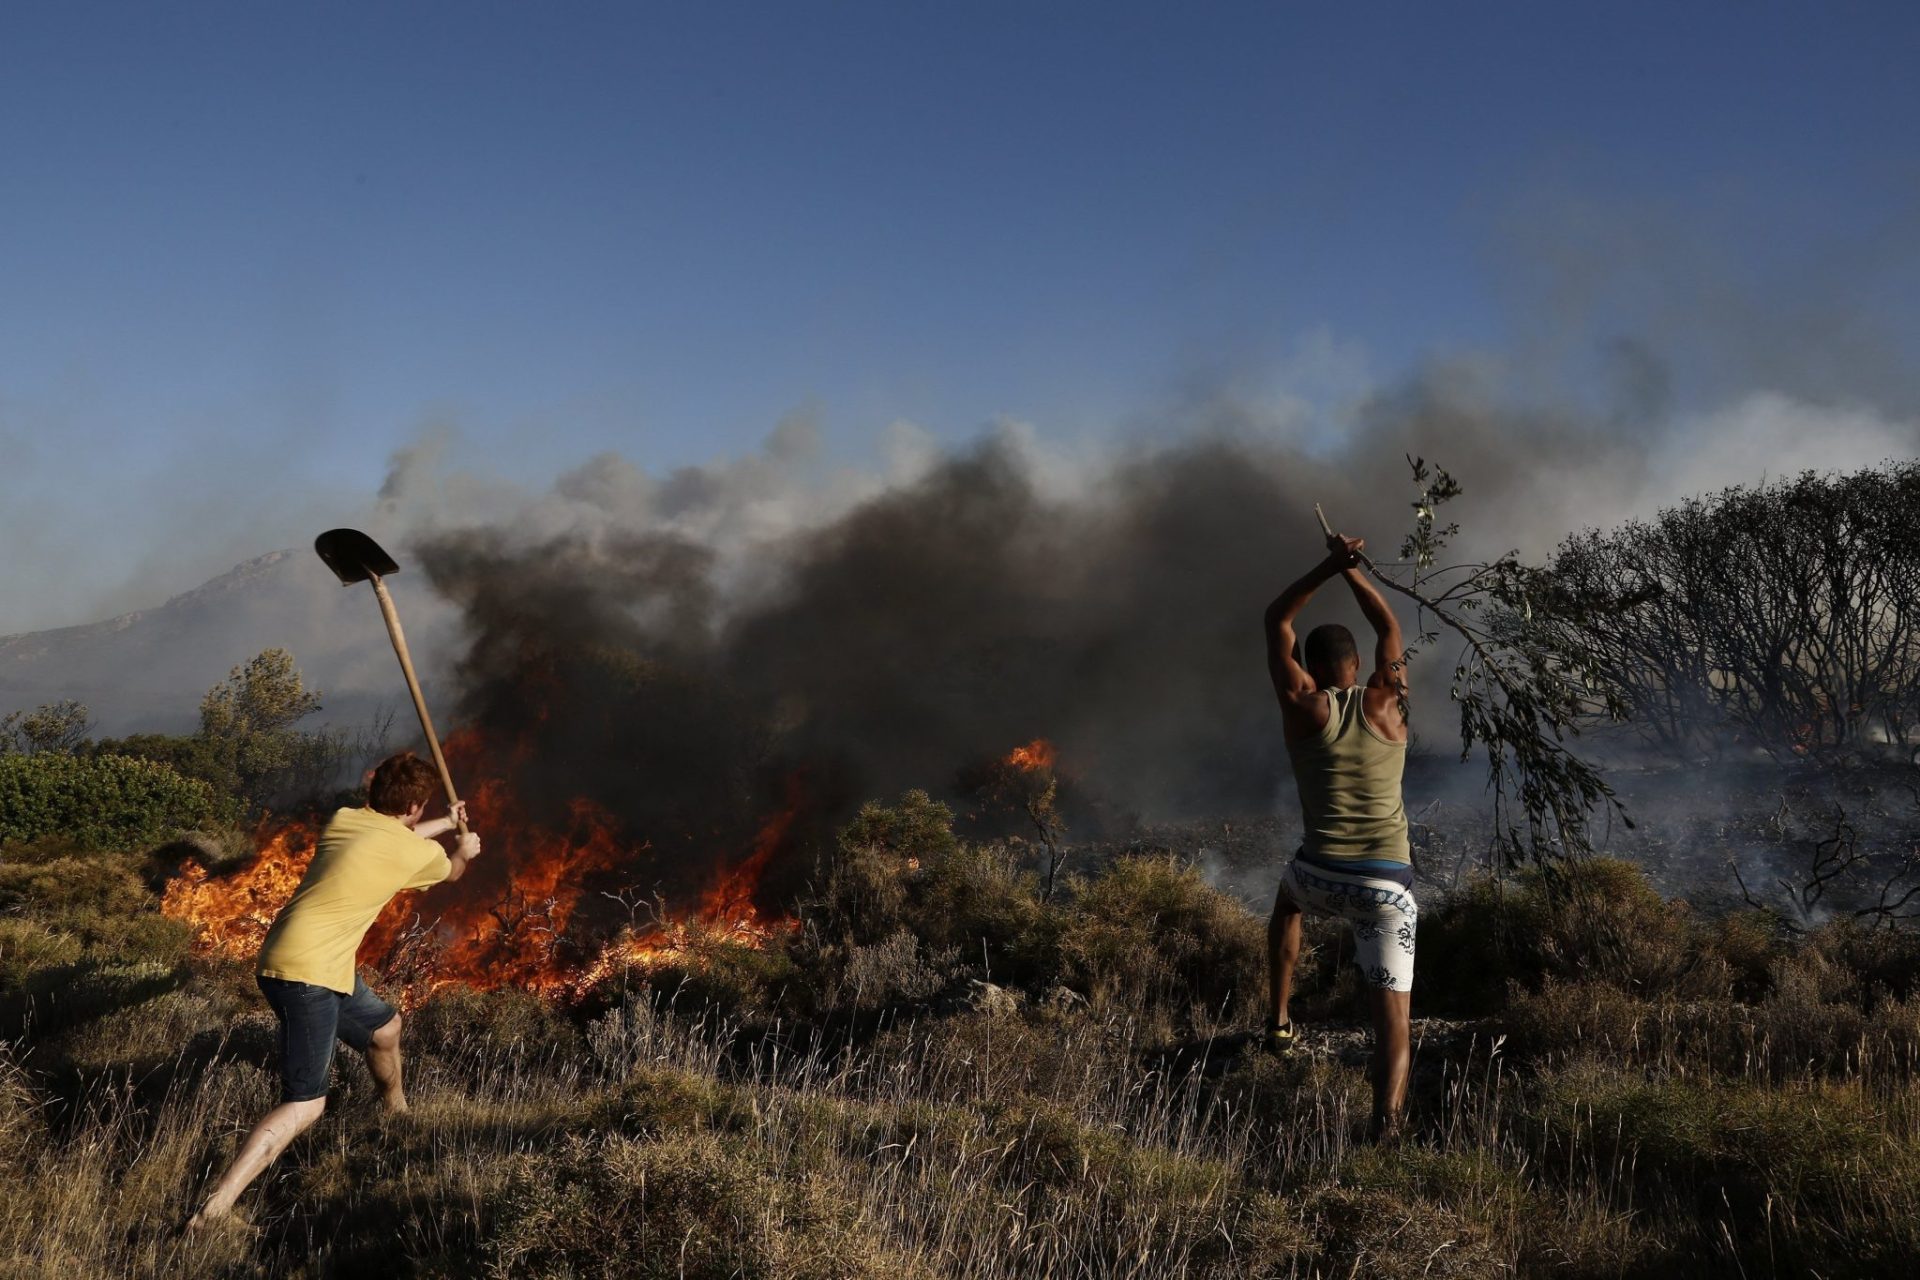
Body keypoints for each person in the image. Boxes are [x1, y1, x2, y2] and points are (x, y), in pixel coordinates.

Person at [188, 752, 482, 1227]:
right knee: (306, 1104)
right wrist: (464, 850)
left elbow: (398, 837)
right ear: (414, 807)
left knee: (386, 1029)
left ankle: (395, 1116)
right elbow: (449, 870)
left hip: (301, 960)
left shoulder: (347, 820)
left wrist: (447, 824)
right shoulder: (414, 853)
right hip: (309, 976)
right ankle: (214, 1210)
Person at [1262, 530, 1415, 1142]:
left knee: (1286, 902)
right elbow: (1389, 626)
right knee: (1393, 1020)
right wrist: (1352, 569)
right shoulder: (1390, 702)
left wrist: (1326, 566)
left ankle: (1279, 1020)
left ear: (1311, 667)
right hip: (1386, 889)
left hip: (1320, 876)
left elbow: (1278, 619)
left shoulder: (1301, 707)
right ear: (1358, 667)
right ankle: (1386, 1125)